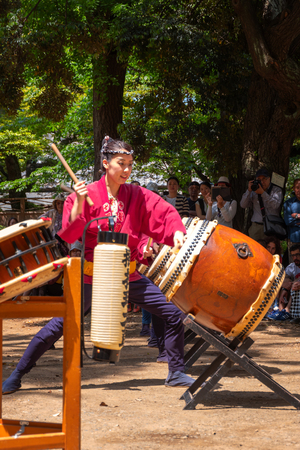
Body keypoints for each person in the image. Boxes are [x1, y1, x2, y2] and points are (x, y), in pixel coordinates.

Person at [2, 136, 194, 394]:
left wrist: (176, 231)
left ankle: (176, 371)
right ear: (105, 164)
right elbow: (69, 232)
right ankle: (17, 373)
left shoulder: (136, 194)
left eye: (130, 164)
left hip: (128, 274)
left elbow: (162, 212)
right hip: (94, 275)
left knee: (172, 313)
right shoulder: (87, 193)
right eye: (120, 163)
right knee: (61, 323)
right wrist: (80, 202)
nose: (126, 169)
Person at [240, 168, 283, 241]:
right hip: (256, 227)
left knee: (270, 251)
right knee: (254, 251)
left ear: (269, 179)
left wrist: (263, 193)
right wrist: (249, 191)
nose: (262, 182)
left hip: (272, 227)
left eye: (264, 179)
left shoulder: (276, 190)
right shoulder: (253, 192)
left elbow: (276, 205)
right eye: (259, 179)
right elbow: (243, 205)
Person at [277, 244, 300, 323]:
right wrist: (285, 288)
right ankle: (281, 310)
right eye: (293, 255)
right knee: (283, 285)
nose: (295, 258)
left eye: (297, 255)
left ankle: (288, 310)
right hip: (292, 291)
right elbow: (284, 279)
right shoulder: (292, 267)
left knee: (295, 284)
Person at [284, 178, 300, 264]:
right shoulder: (288, 203)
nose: (299, 190)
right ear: (293, 188)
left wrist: (296, 216)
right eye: (297, 187)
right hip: (294, 238)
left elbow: (292, 220)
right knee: (294, 264)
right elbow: (288, 221)